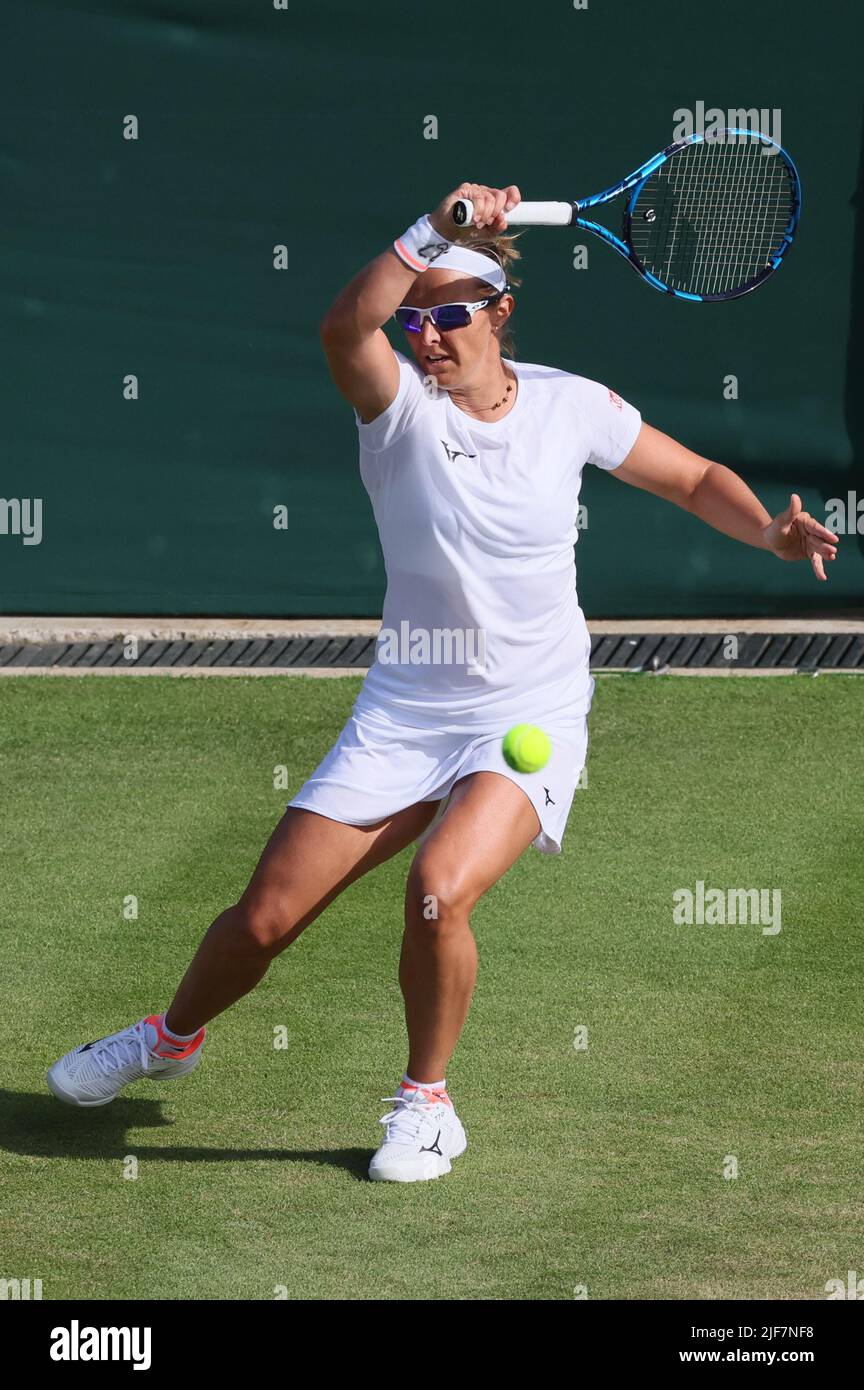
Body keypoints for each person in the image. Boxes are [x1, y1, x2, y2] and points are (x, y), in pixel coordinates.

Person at [46, 182, 838, 1183]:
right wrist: (433, 229)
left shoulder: (570, 406)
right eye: (415, 318)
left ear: (500, 312)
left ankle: (426, 1103)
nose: (426, 337)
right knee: (263, 921)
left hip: (530, 715)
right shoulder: (398, 416)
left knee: (435, 893)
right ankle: (169, 1037)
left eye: (448, 315)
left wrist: (766, 529)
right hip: (405, 711)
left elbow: (687, 477)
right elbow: (345, 325)